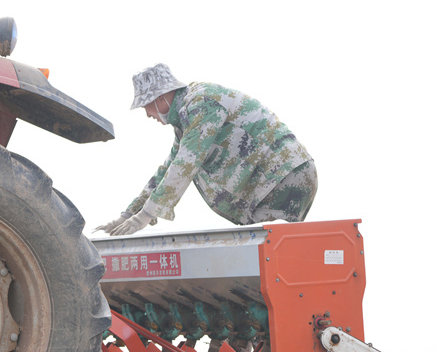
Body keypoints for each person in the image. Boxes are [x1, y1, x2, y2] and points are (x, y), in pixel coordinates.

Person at [96, 64, 317, 236]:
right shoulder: (186, 120)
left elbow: (186, 163)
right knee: (268, 255)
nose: (148, 115)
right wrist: (127, 216)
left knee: (268, 254)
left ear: (161, 97)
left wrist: (145, 216)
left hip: (282, 178)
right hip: (272, 183)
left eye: (147, 106)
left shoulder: (202, 103)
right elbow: (167, 171)